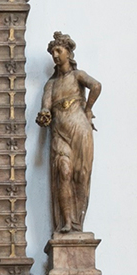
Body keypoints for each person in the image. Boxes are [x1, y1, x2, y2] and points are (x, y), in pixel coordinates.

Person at [36, 31, 101, 233]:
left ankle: (77, 225)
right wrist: (44, 114)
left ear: (68, 53)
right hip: (60, 132)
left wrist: (88, 109)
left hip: (79, 127)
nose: (55, 55)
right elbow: (46, 106)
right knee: (63, 172)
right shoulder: (51, 84)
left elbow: (96, 86)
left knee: (81, 175)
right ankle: (66, 221)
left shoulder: (77, 76)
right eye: (53, 52)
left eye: (58, 50)